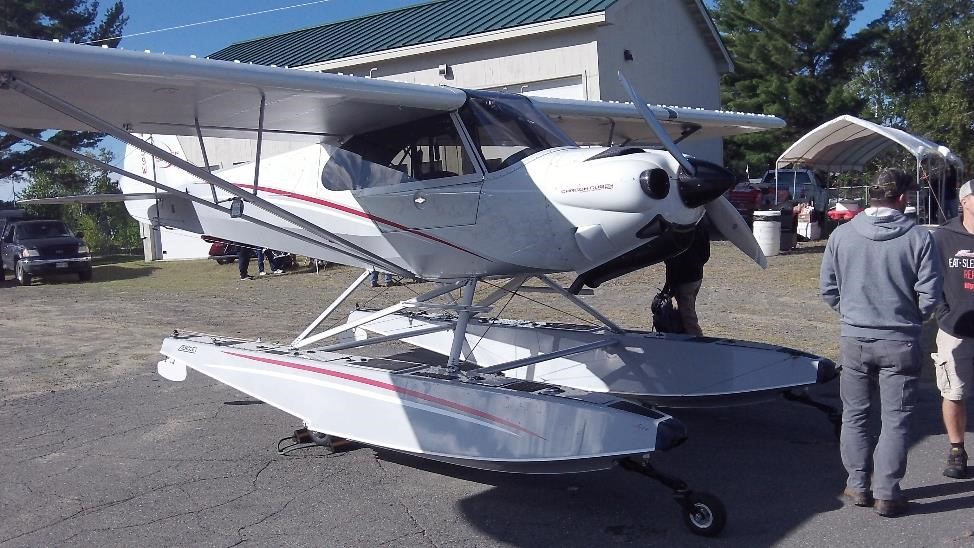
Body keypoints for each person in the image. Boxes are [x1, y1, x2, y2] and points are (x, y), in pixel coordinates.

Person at [820, 168, 942, 517]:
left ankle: (857, 484)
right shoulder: (919, 238)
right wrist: (910, 318)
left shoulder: (842, 235)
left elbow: (829, 288)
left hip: (855, 337)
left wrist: (852, 314)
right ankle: (887, 492)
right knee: (895, 418)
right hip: (899, 339)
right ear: (902, 198)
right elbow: (930, 294)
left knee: (855, 414)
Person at [931, 180, 974, 479]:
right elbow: (930, 279)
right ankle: (957, 449)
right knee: (954, 391)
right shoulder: (944, 236)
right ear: (965, 202)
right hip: (955, 329)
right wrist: (943, 314)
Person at [663, 223, 710, 336]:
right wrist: (698, 264)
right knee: (685, 311)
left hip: (684, 278)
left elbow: (673, 260)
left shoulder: (677, 228)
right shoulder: (699, 222)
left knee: (688, 316)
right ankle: (685, 335)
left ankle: (695, 339)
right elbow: (706, 253)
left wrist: (670, 284)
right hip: (696, 274)